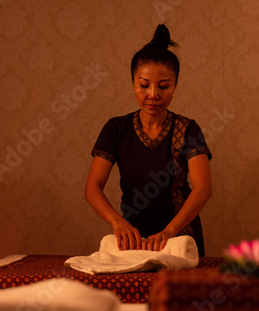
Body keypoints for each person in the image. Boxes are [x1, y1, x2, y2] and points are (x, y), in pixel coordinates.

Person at [85, 24, 212, 257]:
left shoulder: (188, 129)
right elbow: (93, 188)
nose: (153, 94)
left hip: (179, 239)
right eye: (144, 85)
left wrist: (169, 232)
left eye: (164, 86)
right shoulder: (116, 128)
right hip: (133, 240)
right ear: (133, 84)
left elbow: (203, 188)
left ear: (175, 86)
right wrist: (117, 223)